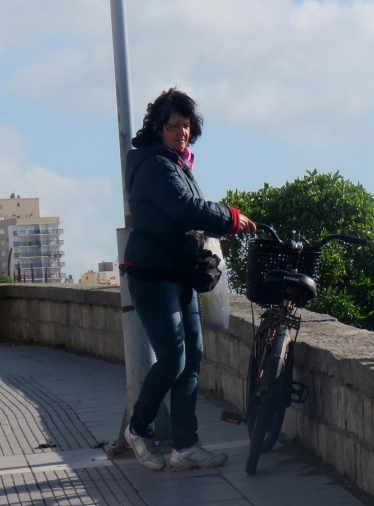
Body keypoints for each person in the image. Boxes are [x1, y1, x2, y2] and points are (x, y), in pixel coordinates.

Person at [121, 87, 257, 472]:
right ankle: (139, 428)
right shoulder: (155, 165)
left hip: (179, 274)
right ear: (158, 128)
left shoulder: (177, 163)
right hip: (153, 277)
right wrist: (230, 217)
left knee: (192, 357)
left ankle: (185, 445)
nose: (182, 132)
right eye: (174, 125)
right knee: (173, 358)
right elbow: (186, 209)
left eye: (186, 125)